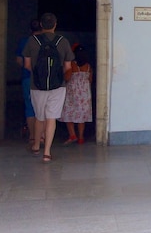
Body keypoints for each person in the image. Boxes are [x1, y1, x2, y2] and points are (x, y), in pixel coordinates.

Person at [21, 12, 75, 162]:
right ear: (55, 25)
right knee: (51, 118)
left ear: (41, 25)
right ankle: (47, 153)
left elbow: (26, 64)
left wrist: (39, 74)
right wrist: (58, 76)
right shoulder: (63, 41)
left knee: (39, 117)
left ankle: (36, 145)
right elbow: (68, 66)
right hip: (58, 86)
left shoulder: (32, 41)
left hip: (36, 86)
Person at [14, 18, 42, 147]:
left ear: (30, 30)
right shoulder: (45, 42)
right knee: (42, 108)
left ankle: (32, 137)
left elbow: (19, 60)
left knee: (29, 107)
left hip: (27, 78)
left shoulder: (24, 42)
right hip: (43, 79)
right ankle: (41, 136)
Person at [61, 45, 92, 145]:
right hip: (84, 94)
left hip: (72, 93)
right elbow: (90, 80)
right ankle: (81, 137)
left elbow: (67, 77)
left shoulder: (72, 65)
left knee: (69, 113)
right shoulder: (88, 66)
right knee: (81, 116)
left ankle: (72, 135)